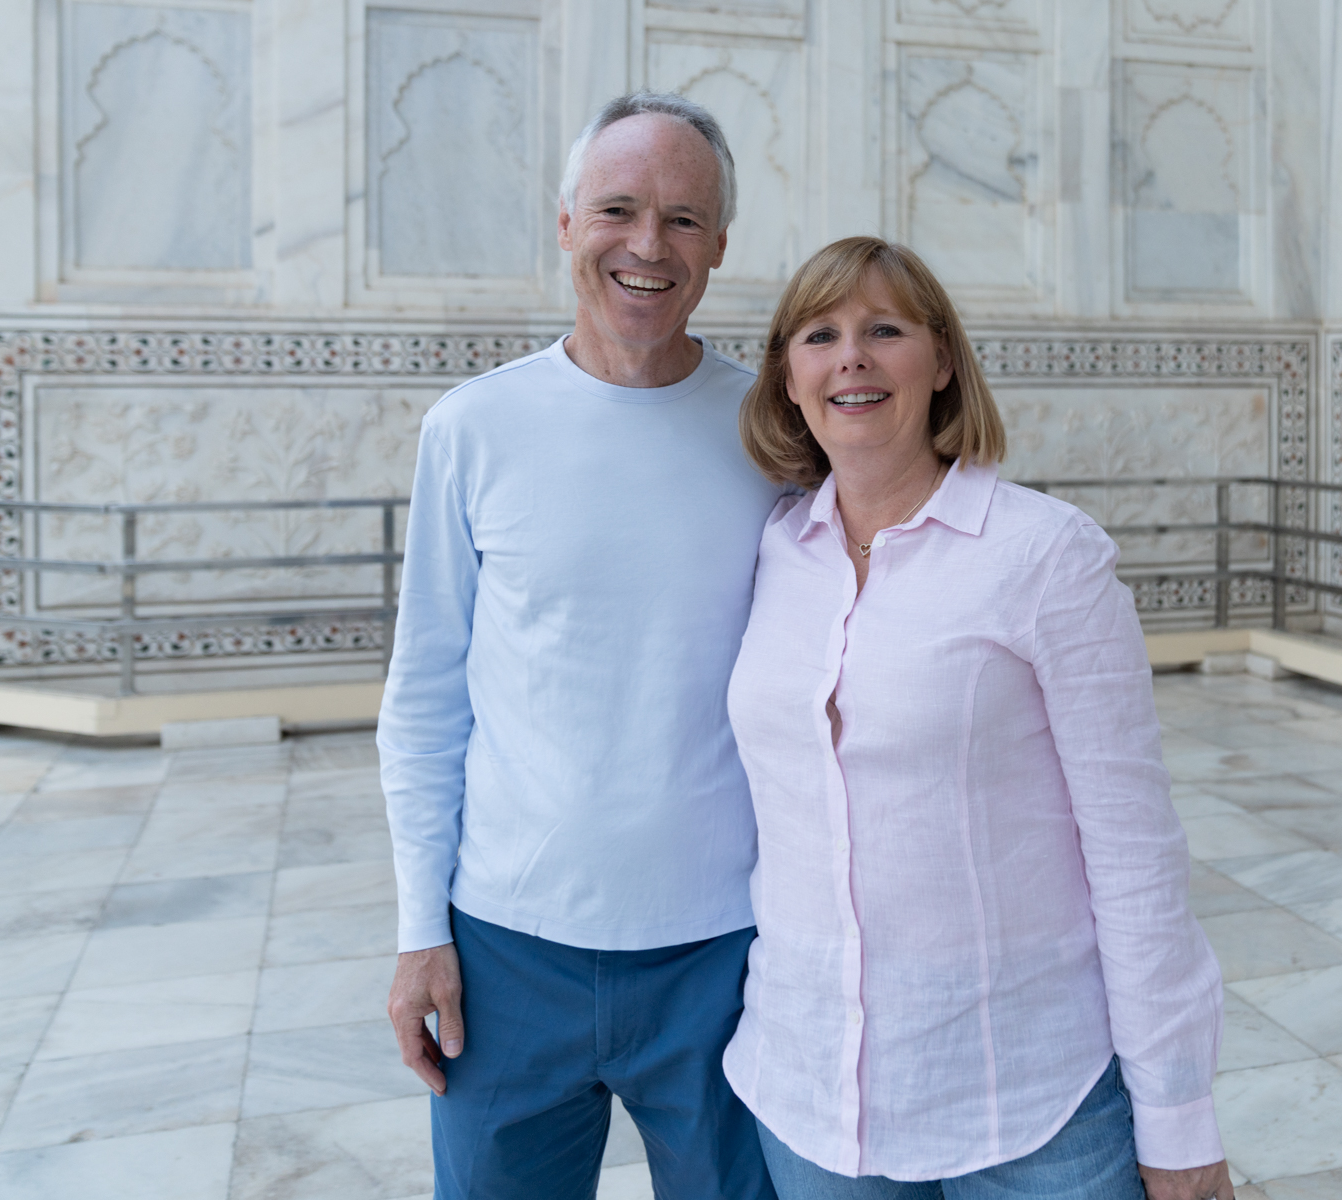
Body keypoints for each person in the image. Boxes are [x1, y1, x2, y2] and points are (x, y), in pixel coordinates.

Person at [726, 236, 1233, 1200]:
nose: (852, 358)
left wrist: (1179, 1120)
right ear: (787, 378)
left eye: (885, 329)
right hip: (808, 1098)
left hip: (1029, 1103)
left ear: (943, 359)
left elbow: (1134, 853)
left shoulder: (1046, 557)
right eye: (820, 335)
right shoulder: (770, 554)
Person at [378, 92, 780, 1200]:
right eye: (618, 208)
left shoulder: (773, 435)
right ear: (565, 225)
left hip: (727, 952)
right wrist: (422, 932)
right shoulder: (474, 429)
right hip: (508, 951)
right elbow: (424, 698)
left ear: (719, 247)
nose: (649, 245)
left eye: (685, 219)